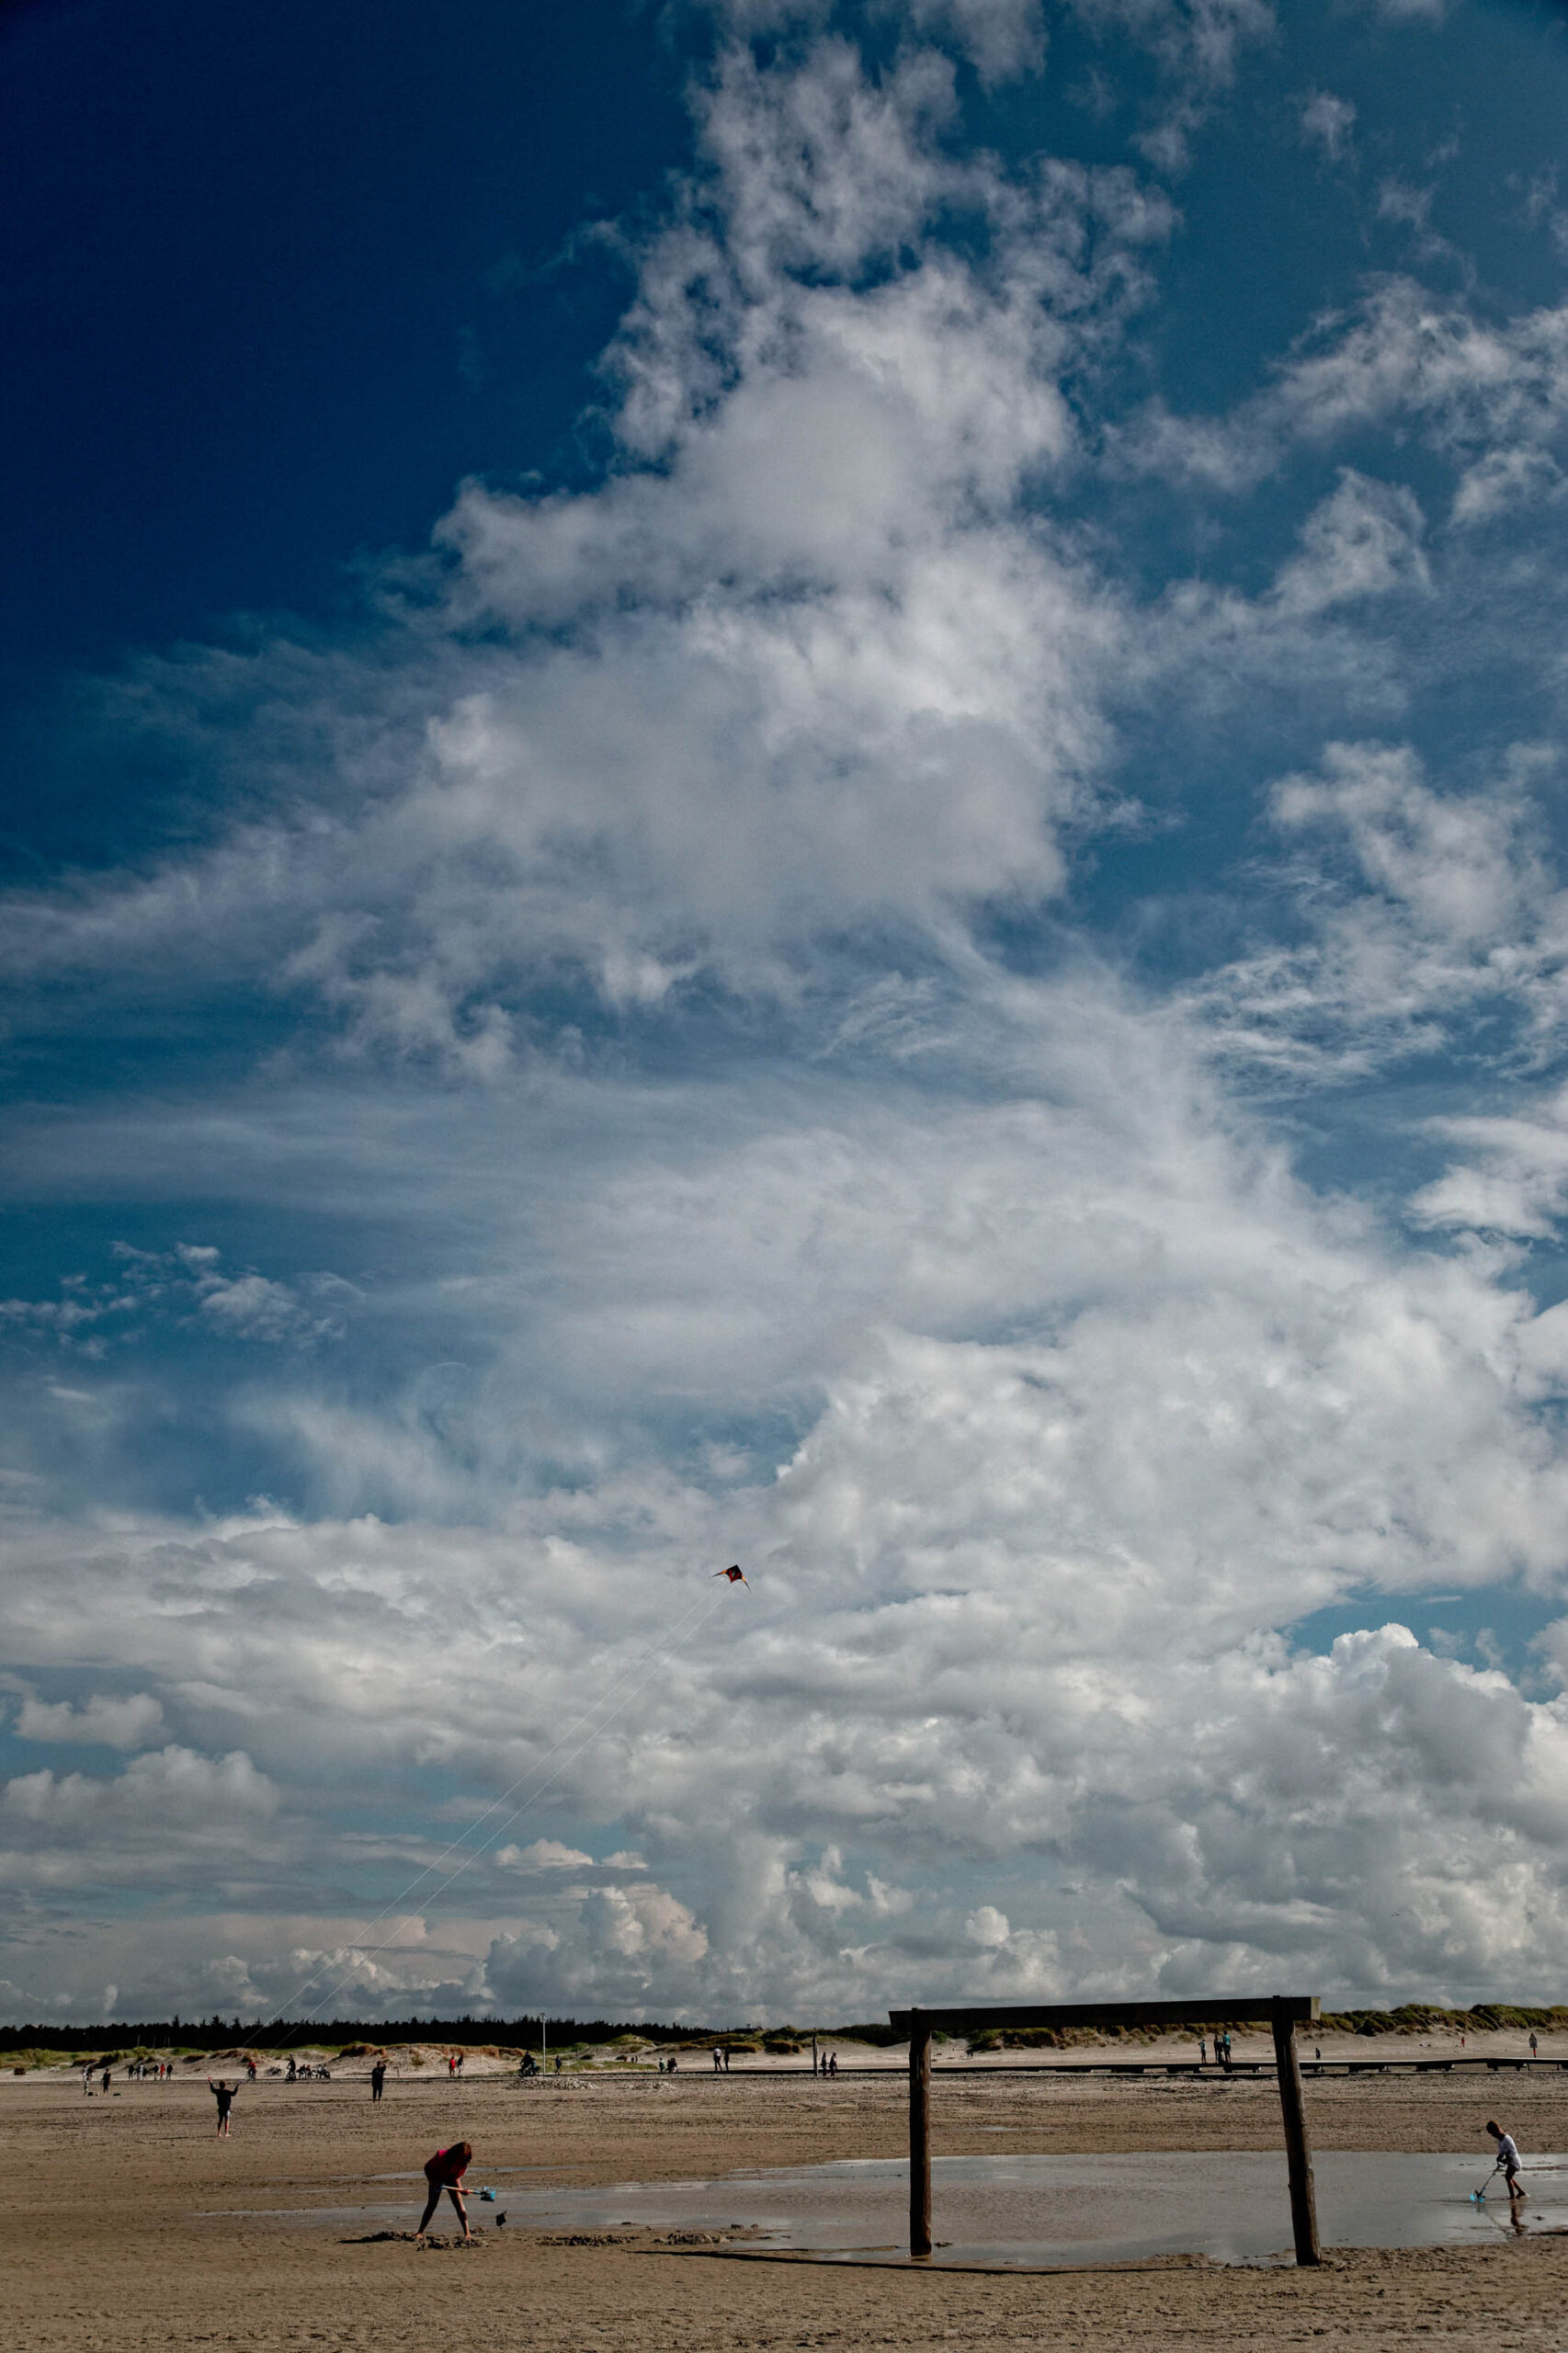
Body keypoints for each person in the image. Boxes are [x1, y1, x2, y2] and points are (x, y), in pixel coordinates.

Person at [418, 2141, 472, 2240]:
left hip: (452, 2178)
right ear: (456, 2152)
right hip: (436, 2177)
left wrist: (461, 2190)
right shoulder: (441, 2156)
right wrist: (432, 2181)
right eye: (460, 2156)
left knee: (459, 2204)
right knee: (432, 2204)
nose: (461, 2159)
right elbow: (427, 2168)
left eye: (464, 2157)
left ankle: (467, 2233)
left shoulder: (463, 2163)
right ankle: (420, 2232)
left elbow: (456, 2177)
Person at [1485, 2119, 1525, 2199]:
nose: (1492, 2136)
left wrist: (1506, 2160)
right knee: (1509, 2177)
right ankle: (1521, 2192)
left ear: (1496, 2130)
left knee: (1507, 2177)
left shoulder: (1507, 2139)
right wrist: (1499, 2158)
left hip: (1514, 2161)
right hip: (1509, 2161)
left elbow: (1513, 2152)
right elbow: (1501, 2152)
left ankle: (1512, 2197)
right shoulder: (1499, 2140)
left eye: (1492, 2134)